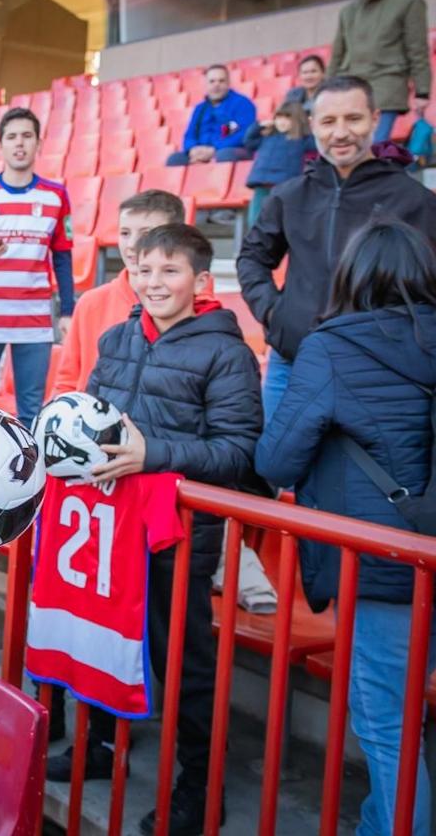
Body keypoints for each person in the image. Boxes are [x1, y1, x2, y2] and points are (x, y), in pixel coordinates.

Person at [59, 224, 262, 836]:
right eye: (144, 270)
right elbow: (89, 416)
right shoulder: (118, 337)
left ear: (201, 283)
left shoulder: (227, 352)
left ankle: (199, 788)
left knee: (184, 663)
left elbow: (238, 454)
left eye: (169, 271)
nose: (154, 283)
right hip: (108, 528)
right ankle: (95, 748)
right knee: (98, 638)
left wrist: (152, 455)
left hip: (178, 535)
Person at [256, 219, 436, 836]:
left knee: (387, 725)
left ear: (352, 276)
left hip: (384, 566)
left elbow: (275, 460)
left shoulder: (333, 346)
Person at [237, 75, 436, 424]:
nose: (340, 132)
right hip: (293, 362)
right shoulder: (289, 194)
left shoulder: (413, 200)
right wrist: (275, 313)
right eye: (329, 121)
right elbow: (252, 258)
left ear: (375, 119)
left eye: (353, 119)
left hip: (375, 371)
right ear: (313, 125)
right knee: (278, 473)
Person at [0, 107, 75, 427]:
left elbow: (62, 255)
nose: (19, 143)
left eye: (26, 136)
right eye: (12, 137)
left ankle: (30, 474)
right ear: (0, 144)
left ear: (38, 143)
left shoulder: (56, 196)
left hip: (33, 319)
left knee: (31, 410)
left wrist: (68, 311)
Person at [50, 190, 186, 399]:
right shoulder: (90, 303)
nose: (131, 244)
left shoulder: (196, 308)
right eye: (124, 233)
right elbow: (66, 381)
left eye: (146, 233)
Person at [330, 0, 430, 145]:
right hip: (351, 86)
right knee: (350, 146)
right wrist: (327, 88)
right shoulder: (348, 11)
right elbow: (337, 54)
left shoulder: (409, 3)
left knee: (374, 145)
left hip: (387, 84)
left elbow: (417, 49)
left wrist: (422, 90)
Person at [167, 64, 257, 166]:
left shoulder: (242, 104)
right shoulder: (200, 109)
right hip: (203, 151)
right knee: (174, 159)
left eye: (221, 81)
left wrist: (214, 149)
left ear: (228, 83)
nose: (216, 85)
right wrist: (193, 150)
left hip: (233, 150)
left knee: (224, 155)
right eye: (212, 81)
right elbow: (189, 135)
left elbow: (244, 134)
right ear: (206, 85)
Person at [243, 101, 314, 225]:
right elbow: (248, 141)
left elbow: (317, 144)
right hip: (261, 184)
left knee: (282, 220)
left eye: (287, 117)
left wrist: (313, 125)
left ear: (297, 120)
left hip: (285, 186)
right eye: (279, 117)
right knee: (255, 220)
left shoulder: (301, 140)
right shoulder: (266, 137)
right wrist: (258, 126)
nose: (282, 121)